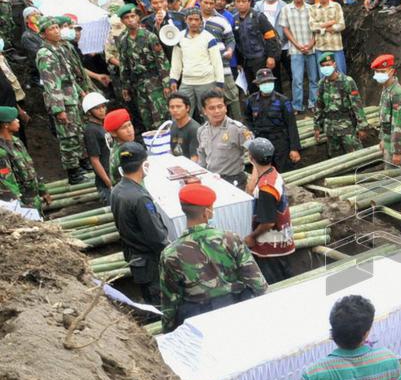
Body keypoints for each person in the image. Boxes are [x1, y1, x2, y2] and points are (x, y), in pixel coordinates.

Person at [159, 182, 268, 333]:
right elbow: (258, 284)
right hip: (236, 312)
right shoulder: (230, 239)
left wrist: (168, 331)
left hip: (198, 323)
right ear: (207, 212)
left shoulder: (170, 254)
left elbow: (171, 302)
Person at [109, 142, 170, 304]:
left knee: (149, 298)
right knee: (159, 303)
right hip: (150, 262)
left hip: (136, 259)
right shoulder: (140, 198)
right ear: (144, 164)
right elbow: (156, 237)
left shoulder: (117, 190)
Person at [35, 16, 90, 184]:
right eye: (51, 29)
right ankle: (73, 171)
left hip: (71, 96)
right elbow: (51, 83)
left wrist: (80, 92)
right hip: (62, 101)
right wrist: (59, 109)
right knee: (67, 136)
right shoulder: (45, 54)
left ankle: (81, 162)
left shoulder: (60, 48)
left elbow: (69, 77)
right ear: (44, 34)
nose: (56, 31)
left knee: (78, 132)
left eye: (57, 27)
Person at [244, 137, 295, 283]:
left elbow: (268, 222)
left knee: (276, 282)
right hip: (282, 241)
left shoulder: (265, 188)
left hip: (271, 247)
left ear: (251, 158)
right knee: (286, 276)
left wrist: (252, 237)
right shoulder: (273, 174)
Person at [116, 5, 171, 131]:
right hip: (139, 85)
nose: (130, 20)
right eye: (126, 18)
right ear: (122, 21)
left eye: (133, 16)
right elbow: (124, 65)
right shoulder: (123, 41)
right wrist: (125, 86)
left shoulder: (149, 37)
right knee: (146, 117)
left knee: (161, 115)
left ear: (138, 18)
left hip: (155, 82)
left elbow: (162, 61)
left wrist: (167, 84)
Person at [314, 53, 372, 157]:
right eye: (323, 66)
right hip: (330, 129)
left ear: (334, 64)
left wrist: (362, 127)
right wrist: (317, 126)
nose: (325, 68)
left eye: (328, 64)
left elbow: (357, 105)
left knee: (356, 157)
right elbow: (319, 106)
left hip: (347, 127)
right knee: (335, 158)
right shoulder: (321, 84)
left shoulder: (347, 81)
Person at [245, 68, 301, 172]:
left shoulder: (283, 101)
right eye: (264, 82)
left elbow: (291, 125)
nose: (267, 84)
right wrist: (251, 134)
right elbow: (247, 118)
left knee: (284, 171)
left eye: (269, 81)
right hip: (261, 142)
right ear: (258, 84)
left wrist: (294, 148)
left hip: (280, 142)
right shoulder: (251, 100)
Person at [169, 9, 226, 110]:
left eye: (196, 19)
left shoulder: (209, 38)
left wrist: (219, 83)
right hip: (187, 82)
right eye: (190, 19)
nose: (193, 22)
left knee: (208, 112)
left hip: (207, 82)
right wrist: (173, 79)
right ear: (185, 20)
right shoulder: (179, 37)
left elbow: (217, 62)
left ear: (201, 21)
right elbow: (176, 61)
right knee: (181, 111)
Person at [196, 90, 253, 189]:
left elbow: (256, 154)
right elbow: (202, 160)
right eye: (212, 108)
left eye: (220, 106)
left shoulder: (238, 129)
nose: (217, 111)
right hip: (212, 180)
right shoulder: (202, 131)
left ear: (225, 108)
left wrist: (253, 182)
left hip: (234, 181)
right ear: (204, 111)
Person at [0, 106, 49, 213]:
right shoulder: (2, 152)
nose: (18, 121)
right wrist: (19, 208)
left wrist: (42, 190)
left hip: (34, 198)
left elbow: (30, 167)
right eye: (14, 119)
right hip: (22, 204)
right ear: (5, 125)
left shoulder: (17, 142)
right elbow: (7, 183)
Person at [279, 0, 318, 112]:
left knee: (314, 78)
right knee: (297, 79)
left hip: (311, 49)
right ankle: (297, 105)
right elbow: (285, 29)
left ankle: (313, 104)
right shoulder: (285, 9)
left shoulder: (311, 8)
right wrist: (297, 44)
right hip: (295, 50)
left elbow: (316, 29)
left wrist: (311, 43)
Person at [232, 0, 282, 84]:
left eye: (243, 1)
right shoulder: (234, 19)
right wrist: (239, 62)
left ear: (249, 2)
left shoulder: (258, 17)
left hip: (261, 60)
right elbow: (236, 42)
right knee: (252, 90)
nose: (241, 4)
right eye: (238, 1)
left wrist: (271, 56)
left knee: (265, 87)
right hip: (246, 62)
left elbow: (271, 37)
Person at [372, 54, 401, 166]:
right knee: (389, 175)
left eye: (383, 71)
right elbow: (384, 118)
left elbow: (400, 124)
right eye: (377, 72)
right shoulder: (386, 89)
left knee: (396, 178)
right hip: (389, 142)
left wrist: (397, 152)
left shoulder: (397, 93)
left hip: (396, 145)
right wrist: (383, 139)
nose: (379, 74)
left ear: (392, 72)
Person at [309, 0, 347, 75]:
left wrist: (321, 26)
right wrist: (329, 25)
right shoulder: (312, 8)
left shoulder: (336, 6)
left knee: (341, 74)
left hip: (336, 46)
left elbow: (342, 25)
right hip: (320, 47)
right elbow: (312, 26)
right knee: (323, 76)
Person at [81, 92, 112, 204]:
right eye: (97, 108)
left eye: (103, 106)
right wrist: (109, 183)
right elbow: (94, 160)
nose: (102, 110)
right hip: (106, 182)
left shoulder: (102, 126)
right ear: (89, 112)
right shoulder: (91, 131)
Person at [167, 92, 201, 161]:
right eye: (172, 107)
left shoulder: (195, 129)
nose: (175, 110)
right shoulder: (173, 125)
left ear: (187, 108)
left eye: (178, 106)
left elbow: (195, 159)